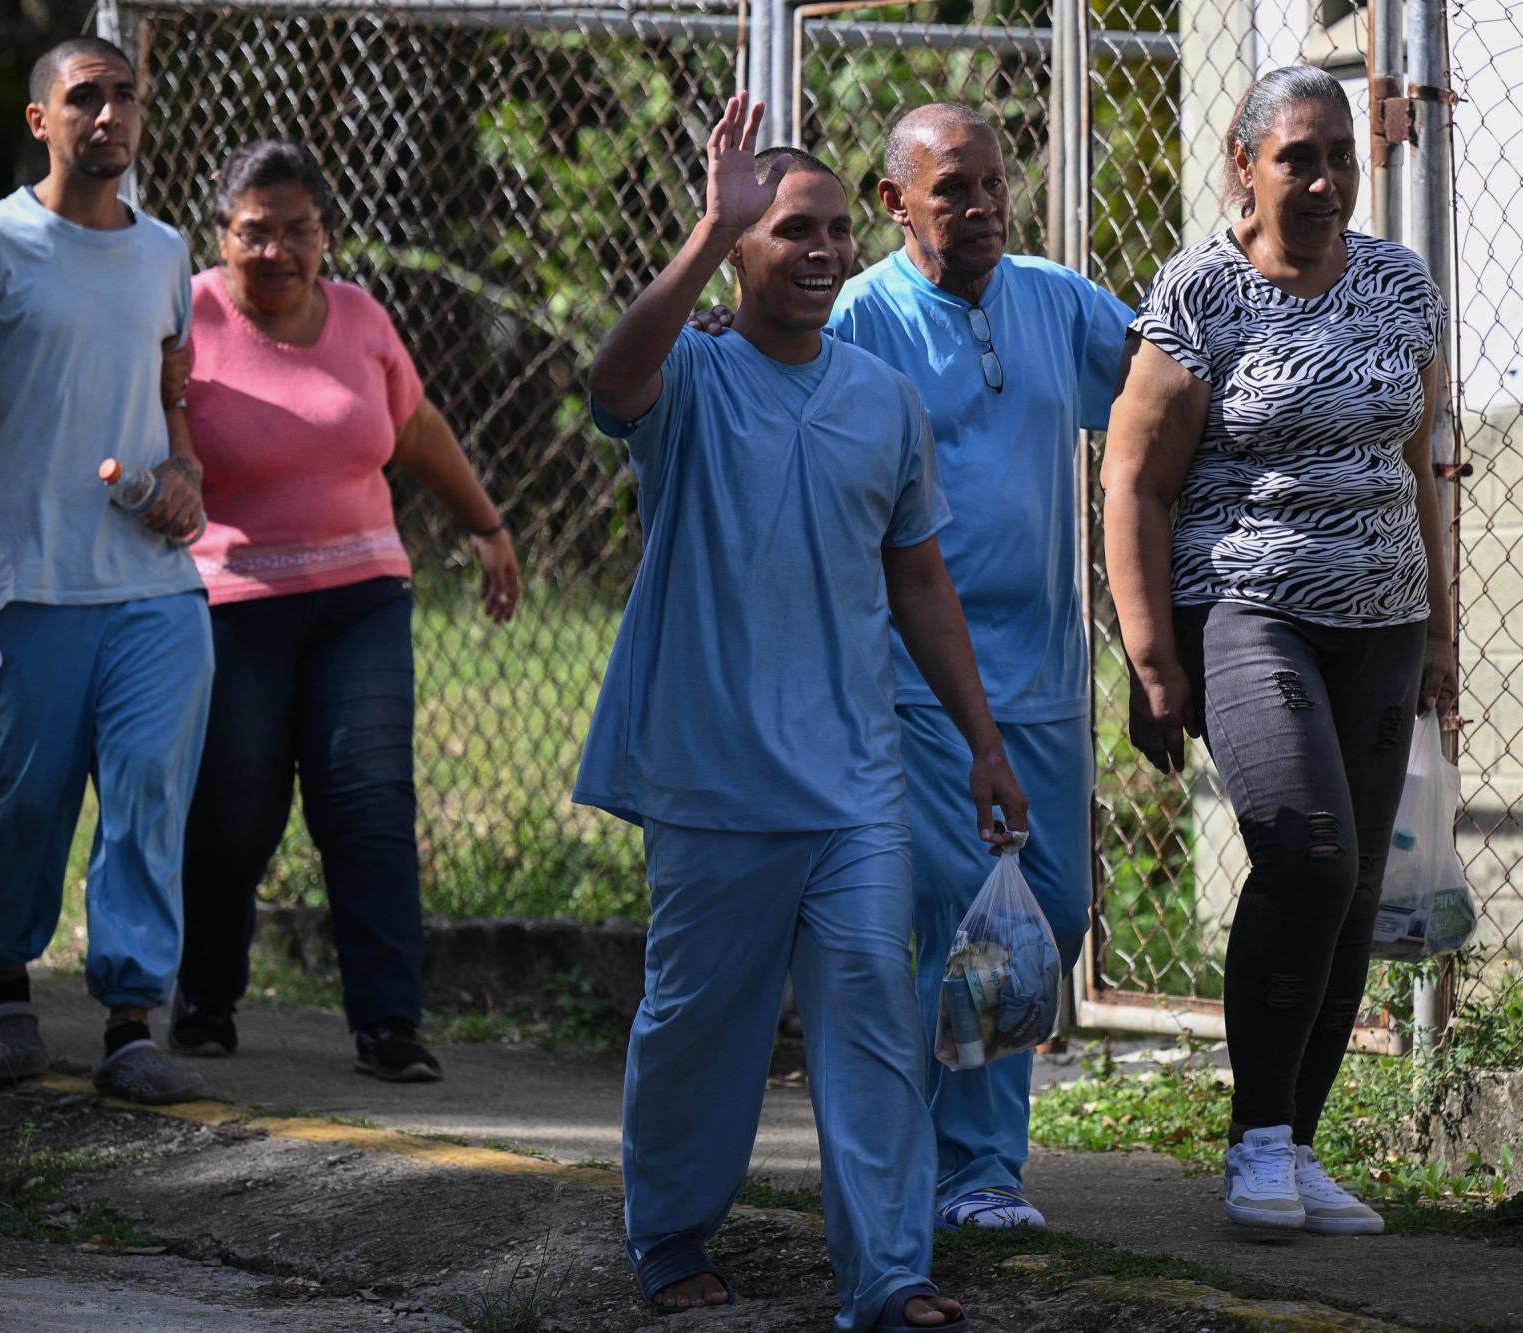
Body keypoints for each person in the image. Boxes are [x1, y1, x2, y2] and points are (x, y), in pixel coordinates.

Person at [579, 92, 1022, 1331]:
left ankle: (887, 1277)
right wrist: (707, 234)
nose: (822, 250)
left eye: (834, 229)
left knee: (876, 1025)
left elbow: (917, 578)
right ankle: (667, 1232)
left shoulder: (881, 399)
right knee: (698, 1026)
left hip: (853, 784)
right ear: (739, 248)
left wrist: (982, 742)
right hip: (712, 782)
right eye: (790, 231)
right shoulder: (696, 381)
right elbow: (611, 381)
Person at [695, 101, 1133, 1230]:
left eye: (995, 184)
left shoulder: (1054, 299)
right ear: (895, 203)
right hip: (915, 684)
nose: (984, 207)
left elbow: (1150, 406)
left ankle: (929, 1149)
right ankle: (974, 1172)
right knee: (962, 915)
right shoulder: (863, 321)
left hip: (1042, 678)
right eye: (954, 190)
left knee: (1052, 914)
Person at [1101, 65, 1456, 1236]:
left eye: (1338, 156)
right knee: (1304, 851)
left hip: (1382, 617)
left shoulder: (1400, 286)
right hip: (1244, 607)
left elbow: (1416, 466)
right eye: (1295, 156)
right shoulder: (1198, 291)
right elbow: (1134, 478)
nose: (1321, 180)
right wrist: (1151, 657)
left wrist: (1439, 629)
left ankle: (1295, 1149)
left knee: (1350, 886)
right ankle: (1254, 1138)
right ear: (1241, 166)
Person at [0, 37, 213, 1105]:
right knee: (19, 803)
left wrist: (184, 471)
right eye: (84, 98)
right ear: (42, 121)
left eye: (124, 96)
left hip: (156, 588)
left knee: (150, 793)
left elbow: (173, 389)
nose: (108, 114)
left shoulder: (165, 252)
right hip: (27, 587)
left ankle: (128, 1020)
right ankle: (9, 990)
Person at [158, 140, 522, 1082]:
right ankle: (203, 996)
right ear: (221, 233)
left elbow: (415, 428)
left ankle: (389, 1024)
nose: (276, 250)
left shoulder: (360, 316)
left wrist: (486, 524)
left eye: (297, 230)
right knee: (235, 809)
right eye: (254, 232)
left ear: (326, 235)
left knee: (367, 806)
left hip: (362, 599)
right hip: (232, 604)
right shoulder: (183, 316)